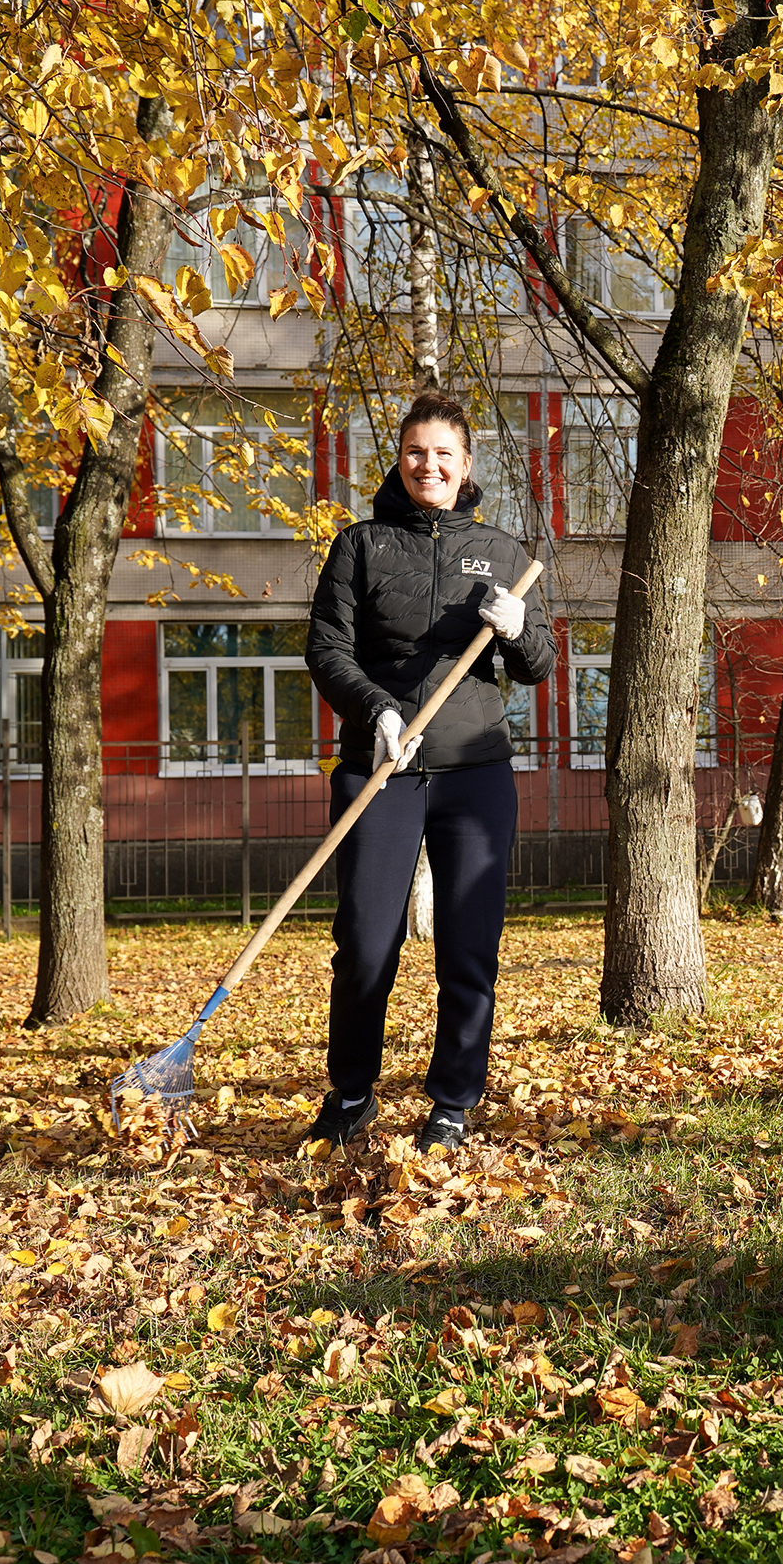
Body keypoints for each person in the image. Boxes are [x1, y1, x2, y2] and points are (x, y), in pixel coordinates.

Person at [302, 390, 554, 1154]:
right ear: (400, 459)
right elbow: (326, 649)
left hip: (474, 773)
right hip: (382, 770)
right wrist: (377, 709)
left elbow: (538, 665)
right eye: (416, 451)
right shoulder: (361, 545)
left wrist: (516, 631)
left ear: (466, 464)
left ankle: (452, 1100)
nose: (429, 465)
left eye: (444, 453)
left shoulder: (505, 553)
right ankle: (351, 1093)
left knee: (469, 946)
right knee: (367, 943)